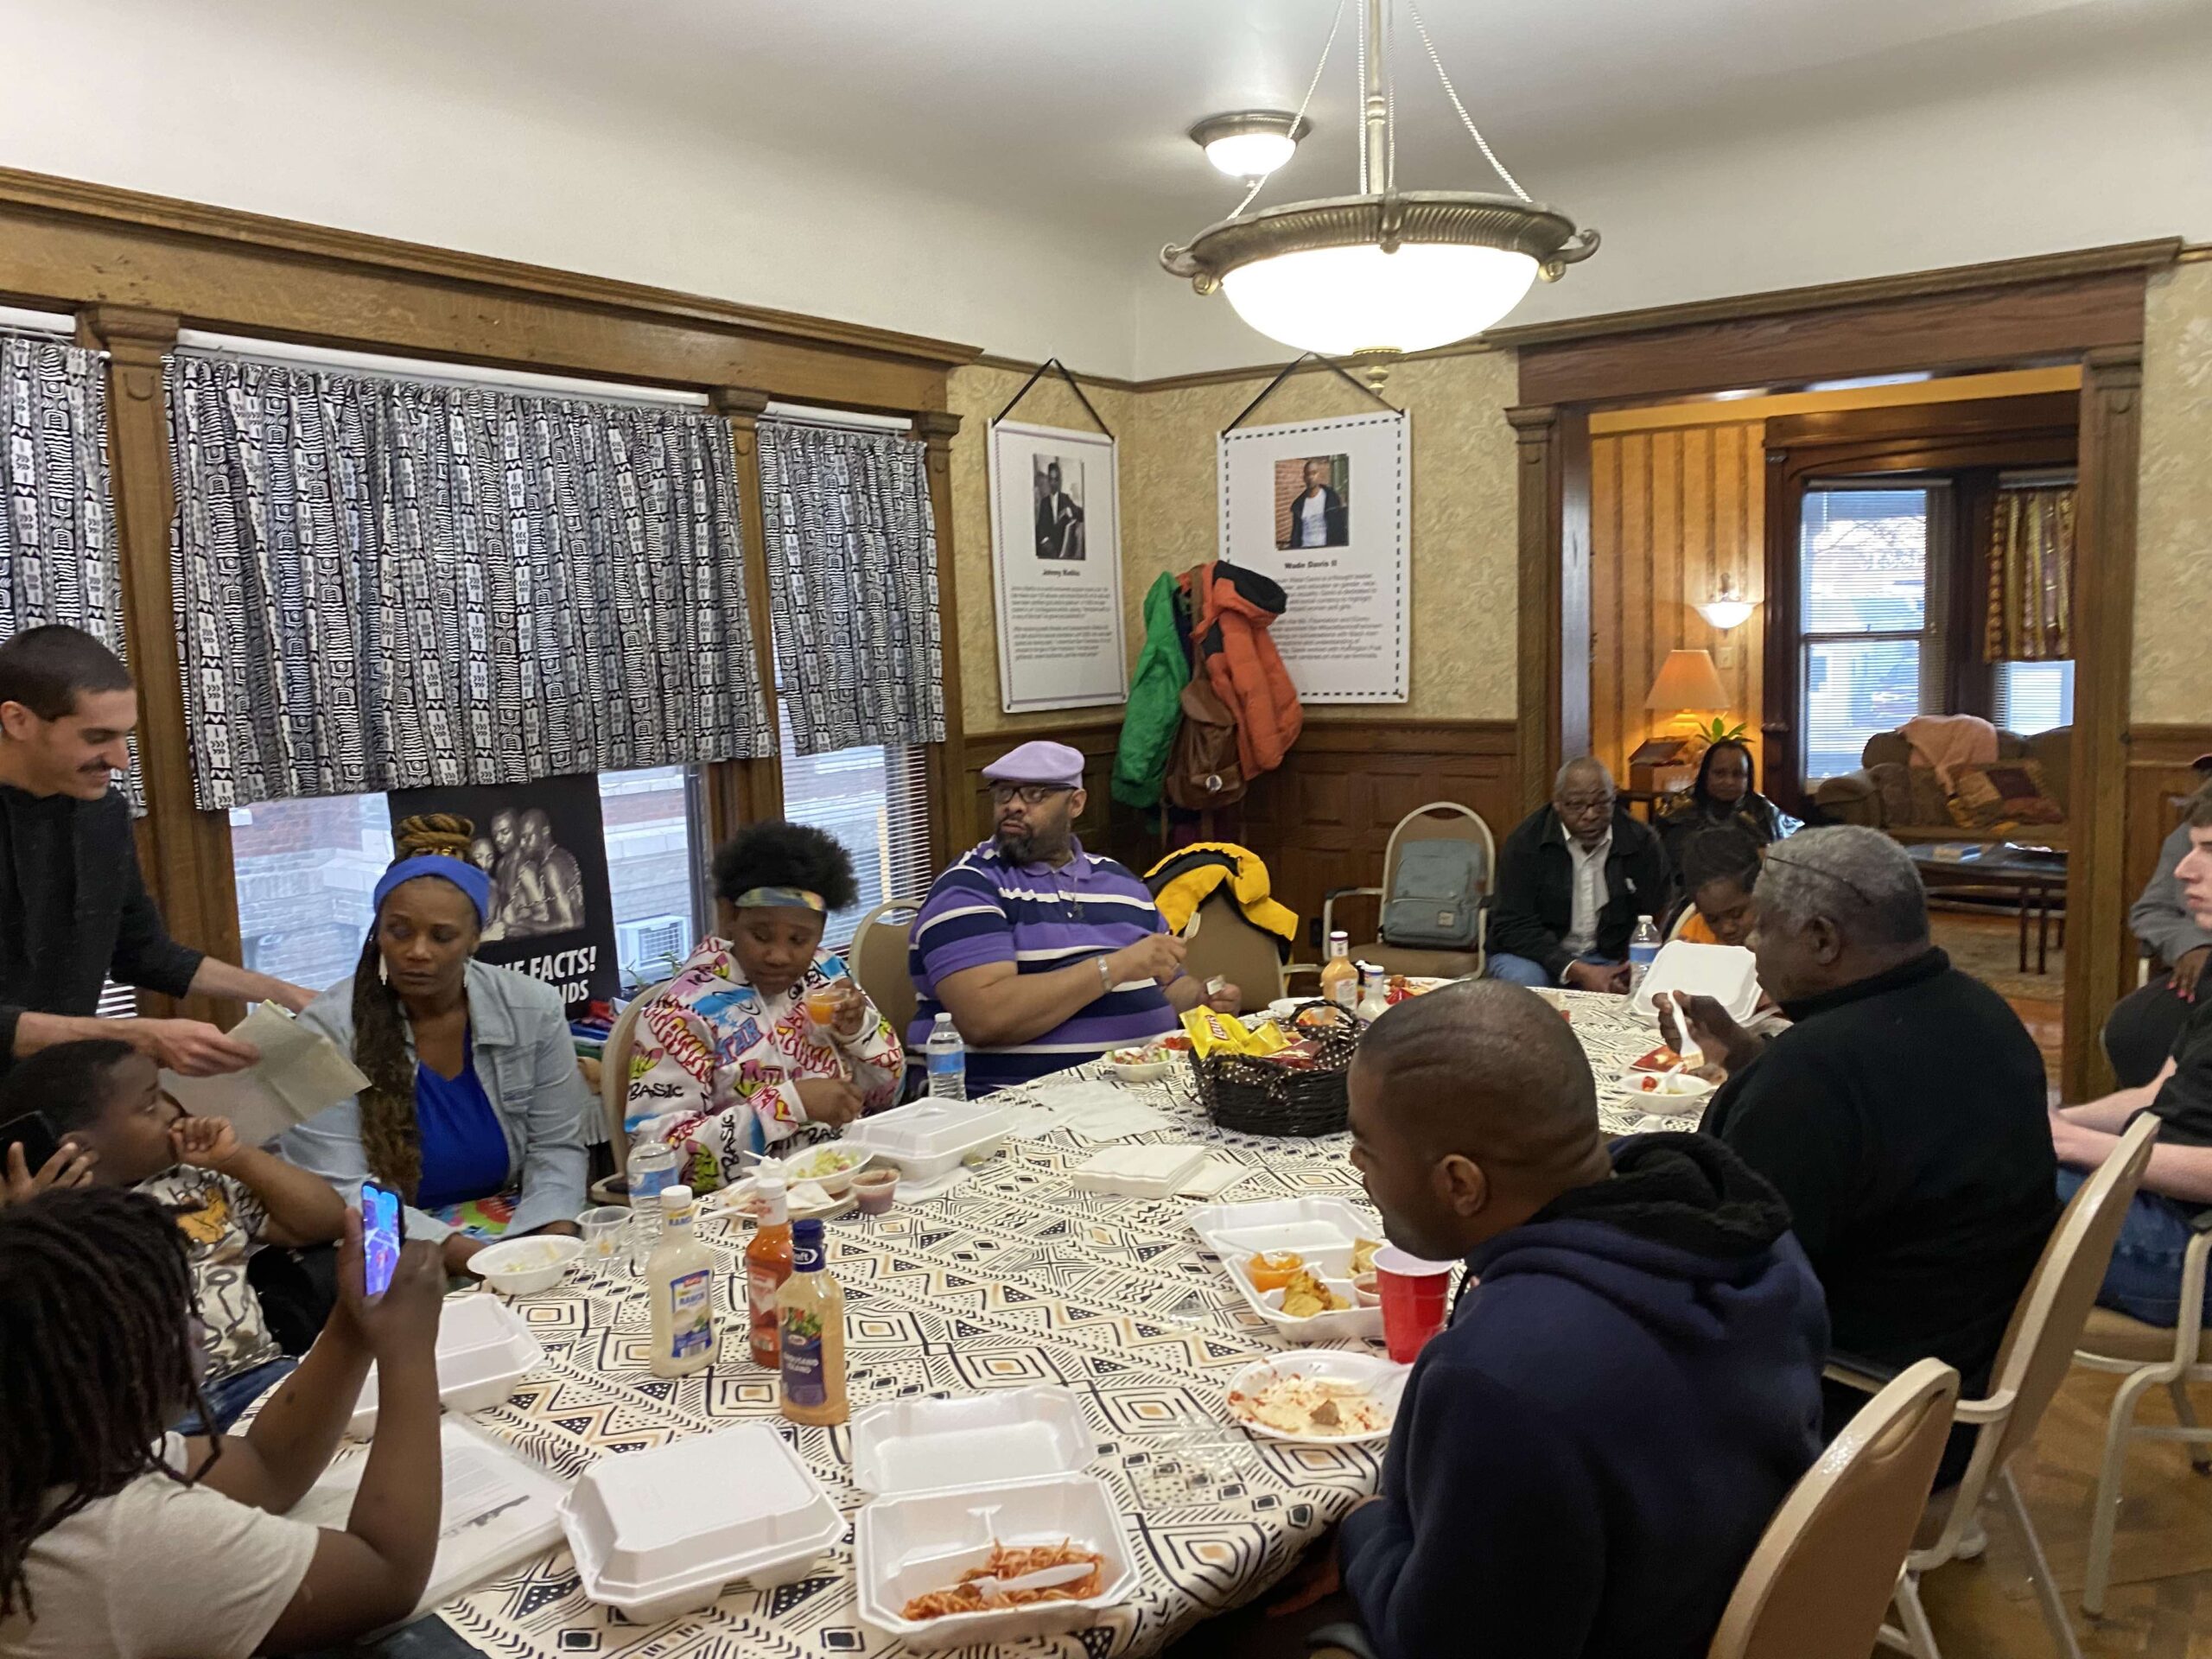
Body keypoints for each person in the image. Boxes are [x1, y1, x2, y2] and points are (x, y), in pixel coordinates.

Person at [1239, 983, 1825, 1659]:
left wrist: (1364, 1531)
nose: (1356, 1167)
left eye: (1367, 1148)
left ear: (1461, 1184)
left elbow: (1439, 1642)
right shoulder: (1747, 1234)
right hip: (1712, 1602)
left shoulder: (1501, 1376)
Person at [1671, 826, 2056, 1480]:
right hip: (1962, 1375)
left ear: (1823, 939)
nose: (1753, 947)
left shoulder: (1814, 1076)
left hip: (1866, 1418)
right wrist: (1746, 1063)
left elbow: (1723, 1282)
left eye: (1763, 928)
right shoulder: (1982, 1014)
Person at [0, 1185, 445, 1658]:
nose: (198, 1329)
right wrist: (409, 1351)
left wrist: (352, 1325)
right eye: (171, 1317)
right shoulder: (118, 1544)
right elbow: (386, 1577)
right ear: (90, 1376)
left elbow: (265, 1468)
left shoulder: (48, 1468)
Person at [0, 624, 312, 1085]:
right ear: (17, 720)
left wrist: (282, 993)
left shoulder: (103, 815)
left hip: (49, 1094)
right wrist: (140, 1036)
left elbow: (142, 952)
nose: (121, 760)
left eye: (124, 735)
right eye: (96, 737)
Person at [283, 815, 591, 1275]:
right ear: (378, 932)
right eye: (400, 932)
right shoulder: (323, 1034)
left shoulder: (533, 1009)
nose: (418, 951)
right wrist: (466, 1258)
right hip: (385, 1246)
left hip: (515, 1228)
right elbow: (342, 1190)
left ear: (474, 939)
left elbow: (558, 1148)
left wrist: (548, 1242)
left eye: (441, 936)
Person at [0, 1039, 345, 1431]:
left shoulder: (192, 1181)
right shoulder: (49, 1225)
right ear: (79, 1147)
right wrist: (29, 1224)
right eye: (150, 1106)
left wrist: (238, 1160)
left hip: (259, 1377)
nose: (172, 1113)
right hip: (155, 1419)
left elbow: (327, 1220)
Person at [909, 741, 1241, 1094]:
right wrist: (1114, 968)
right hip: (1014, 1100)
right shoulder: (968, 887)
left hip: (1141, 1088)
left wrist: (1201, 1000)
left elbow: (1168, 984)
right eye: (1004, 793)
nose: (1014, 806)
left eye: (1035, 794)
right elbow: (985, 1020)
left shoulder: (1119, 881)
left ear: (1076, 803)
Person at [626, 822, 904, 1192]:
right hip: (742, 1205)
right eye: (760, 935)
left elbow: (887, 1096)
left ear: (820, 934)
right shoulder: (681, 1013)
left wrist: (859, 1033)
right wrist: (790, 1105)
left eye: (799, 939)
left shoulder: (825, 976)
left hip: (843, 1178)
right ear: (729, 916)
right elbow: (658, 1159)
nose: (778, 955)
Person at [2053, 791, 2212, 1324]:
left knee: (1967, 1190)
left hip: (2194, 1252)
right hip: (2165, 1210)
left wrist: (2075, 1144)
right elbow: (2155, 1097)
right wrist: (2051, 1122)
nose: (2185, 871)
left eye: (2209, 851)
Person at [1485, 757, 1669, 992]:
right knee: (1528, 983)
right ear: (1557, 803)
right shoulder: (1526, 843)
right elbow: (1513, 925)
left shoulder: (1641, 841)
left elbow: (1658, 909)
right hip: (1532, 956)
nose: (1590, 814)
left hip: (1609, 957)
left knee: (1645, 984)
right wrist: (1576, 969)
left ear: (1614, 797)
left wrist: (1630, 965)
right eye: (1576, 805)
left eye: (1601, 803)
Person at [2104, 765, 2212, 1087]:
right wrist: (2191, 942)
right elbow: (2150, 910)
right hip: (2193, 976)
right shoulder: (2192, 831)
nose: (2185, 870)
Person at [1657, 739, 1792, 878]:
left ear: (1748, 778)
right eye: (1720, 773)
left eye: (1738, 774)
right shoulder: (1677, 813)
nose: (1729, 782)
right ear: (1705, 775)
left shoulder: (1763, 810)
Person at [1670, 824, 1763, 946]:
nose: (1727, 929)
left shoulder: (1786, 936)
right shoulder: (1695, 936)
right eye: (1712, 920)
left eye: (1736, 914)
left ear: (1761, 892)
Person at [1287, 458, 1348, 550]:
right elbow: (1295, 535)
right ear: (1304, 478)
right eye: (1308, 474)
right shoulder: (1298, 505)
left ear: (1319, 475)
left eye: (1314, 473)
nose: (1311, 477)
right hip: (1305, 551)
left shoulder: (1332, 499)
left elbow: (1340, 530)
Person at [1034, 461, 1084, 560]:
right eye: (1051, 479)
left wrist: (1070, 511)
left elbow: (1081, 514)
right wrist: (1045, 540)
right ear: (1048, 480)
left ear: (1060, 481)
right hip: (1049, 547)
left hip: (1063, 546)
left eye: (1056, 480)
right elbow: (1040, 527)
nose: (1053, 483)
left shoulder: (1065, 499)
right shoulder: (1044, 502)